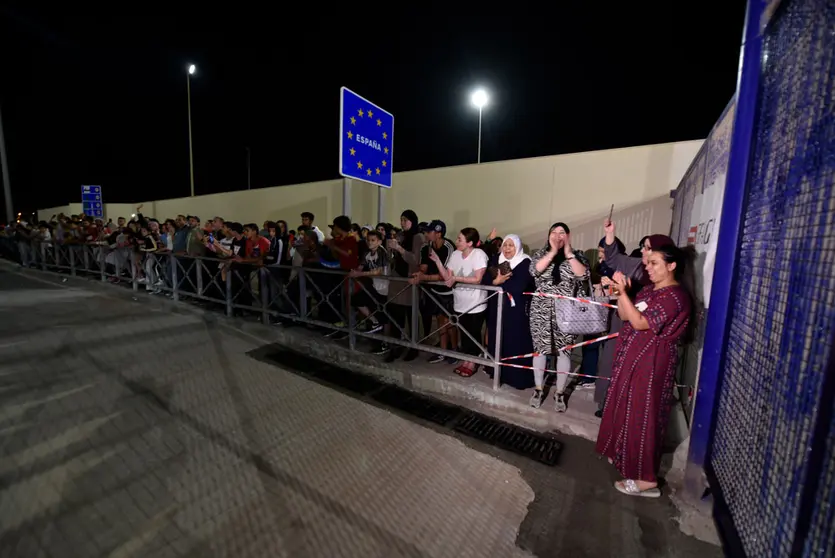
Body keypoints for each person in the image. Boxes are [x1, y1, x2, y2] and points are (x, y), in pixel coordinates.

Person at [596, 244, 693, 498]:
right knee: (626, 410)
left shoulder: (675, 297)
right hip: (633, 358)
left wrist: (624, 294)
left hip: (652, 363)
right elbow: (624, 315)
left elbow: (640, 322)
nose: (647, 268)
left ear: (671, 266)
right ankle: (623, 457)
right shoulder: (650, 290)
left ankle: (646, 480)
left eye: (654, 263)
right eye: (647, 263)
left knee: (643, 418)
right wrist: (621, 293)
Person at [528, 222, 589, 411]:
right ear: (548, 236)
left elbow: (583, 275)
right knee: (540, 349)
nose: (557, 236)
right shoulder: (540, 254)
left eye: (562, 233)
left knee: (564, 350)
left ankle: (559, 393)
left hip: (566, 310)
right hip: (541, 309)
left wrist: (568, 253)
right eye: (553, 232)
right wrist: (553, 252)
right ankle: (538, 389)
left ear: (568, 236)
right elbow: (534, 270)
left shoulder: (577, 256)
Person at [482, 234, 536, 389]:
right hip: (496, 307)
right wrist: (496, 282)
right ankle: (497, 372)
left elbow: (519, 286)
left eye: (511, 245)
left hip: (515, 311)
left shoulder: (525, 262)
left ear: (518, 247)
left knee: (514, 340)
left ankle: (516, 378)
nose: (507, 249)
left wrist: (498, 284)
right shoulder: (495, 260)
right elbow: (485, 279)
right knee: (497, 338)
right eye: (505, 245)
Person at [432, 227, 488, 376]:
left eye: (459, 239)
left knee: (473, 333)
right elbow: (447, 278)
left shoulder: (479, 254)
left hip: (476, 303)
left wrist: (457, 278)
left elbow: (477, 279)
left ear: (470, 243)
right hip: (460, 303)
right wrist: (438, 262)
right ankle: (465, 360)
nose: (456, 242)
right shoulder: (455, 255)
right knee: (464, 334)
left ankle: (473, 362)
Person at [413, 220, 458, 365]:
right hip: (434, 290)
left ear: (438, 234)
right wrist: (418, 274)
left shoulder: (448, 247)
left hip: (448, 292)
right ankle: (443, 351)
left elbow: (444, 275)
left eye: (429, 232)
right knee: (440, 321)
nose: (426, 234)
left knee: (450, 322)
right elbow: (424, 267)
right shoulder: (426, 247)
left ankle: (455, 350)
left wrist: (424, 277)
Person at [384, 210, 425, 362]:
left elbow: (416, 260)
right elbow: (390, 260)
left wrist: (400, 249)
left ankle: (413, 347)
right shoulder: (400, 235)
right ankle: (395, 347)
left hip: (409, 282)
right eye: (401, 220)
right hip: (396, 280)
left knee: (411, 316)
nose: (402, 223)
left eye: (405, 220)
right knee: (395, 316)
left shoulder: (418, 237)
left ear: (413, 221)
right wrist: (390, 248)